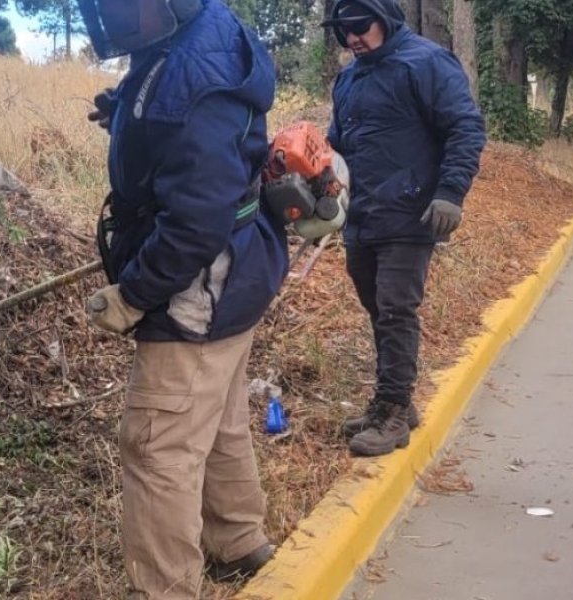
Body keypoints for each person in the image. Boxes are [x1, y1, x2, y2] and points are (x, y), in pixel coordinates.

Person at [79, 0, 287, 597]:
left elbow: (195, 223)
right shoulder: (199, 28)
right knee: (218, 417)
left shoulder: (195, 78)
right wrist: (124, 113)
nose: (113, 18)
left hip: (197, 287)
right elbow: (173, 111)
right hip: (241, 272)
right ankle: (238, 539)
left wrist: (134, 294)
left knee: (157, 445)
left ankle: (165, 588)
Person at [321, 0, 486, 457]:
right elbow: (339, 142)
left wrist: (451, 193)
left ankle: (393, 412)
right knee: (378, 310)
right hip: (362, 214)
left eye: (360, 26)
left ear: (385, 18)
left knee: (396, 310)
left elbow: (465, 128)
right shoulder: (350, 78)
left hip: (411, 213)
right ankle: (394, 402)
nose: (353, 38)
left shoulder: (426, 62)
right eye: (343, 30)